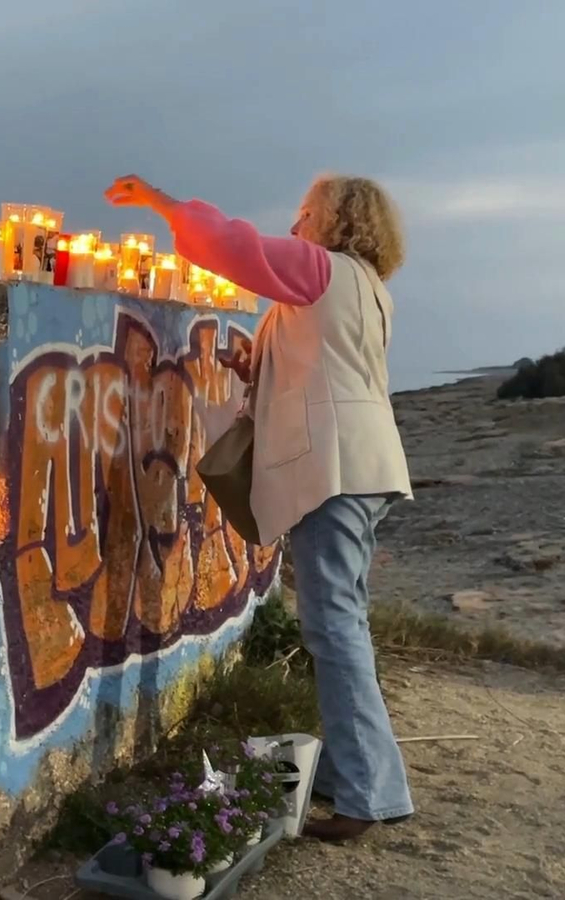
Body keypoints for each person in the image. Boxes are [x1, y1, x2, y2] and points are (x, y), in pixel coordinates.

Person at [105, 173, 414, 842]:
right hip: (365, 466)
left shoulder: (318, 268)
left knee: (333, 630)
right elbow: (329, 369)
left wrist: (164, 203)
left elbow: (233, 246)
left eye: (307, 213)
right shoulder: (367, 285)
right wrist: (260, 368)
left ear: (337, 222)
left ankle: (367, 796)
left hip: (333, 470)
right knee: (344, 626)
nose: (296, 226)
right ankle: (355, 773)